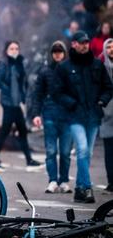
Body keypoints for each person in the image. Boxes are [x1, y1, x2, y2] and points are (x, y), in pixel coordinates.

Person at [54, 31, 113, 203]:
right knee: (82, 149)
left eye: (87, 42)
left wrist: (102, 101)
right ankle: (87, 187)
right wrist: (71, 104)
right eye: (82, 42)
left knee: (86, 153)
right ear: (74, 44)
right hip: (74, 116)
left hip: (93, 116)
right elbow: (56, 92)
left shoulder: (96, 65)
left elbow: (108, 87)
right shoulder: (64, 67)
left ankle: (79, 188)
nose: (85, 44)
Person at [0, 41, 41, 169]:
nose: (14, 50)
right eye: (11, 48)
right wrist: (7, 90)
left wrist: (23, 95)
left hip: (16, 103)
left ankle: (28, 160)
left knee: (20, 131)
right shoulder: (3, 63)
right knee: (6, 131)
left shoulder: (19, 64)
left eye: (16, 48)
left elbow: (23, 82)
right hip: (8, 103)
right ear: (6, 50)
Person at [30, 41, 74, 194]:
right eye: (54, 51)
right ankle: (53, 180)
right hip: (49, 115)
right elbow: (38, 94)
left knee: (65, 152)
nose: (57, 54)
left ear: (64, 53)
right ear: (51, 53)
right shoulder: (45, 71)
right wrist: (36, 114)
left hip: (67, 116)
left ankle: (64, 181)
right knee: (50, 151)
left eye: (60, 51)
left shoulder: (70, 70)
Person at [101, 38, 113, 193]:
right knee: (109, 151)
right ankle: (111, 181)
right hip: (106, 114)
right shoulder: (101, 67)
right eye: (109, 47)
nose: (111, 50)